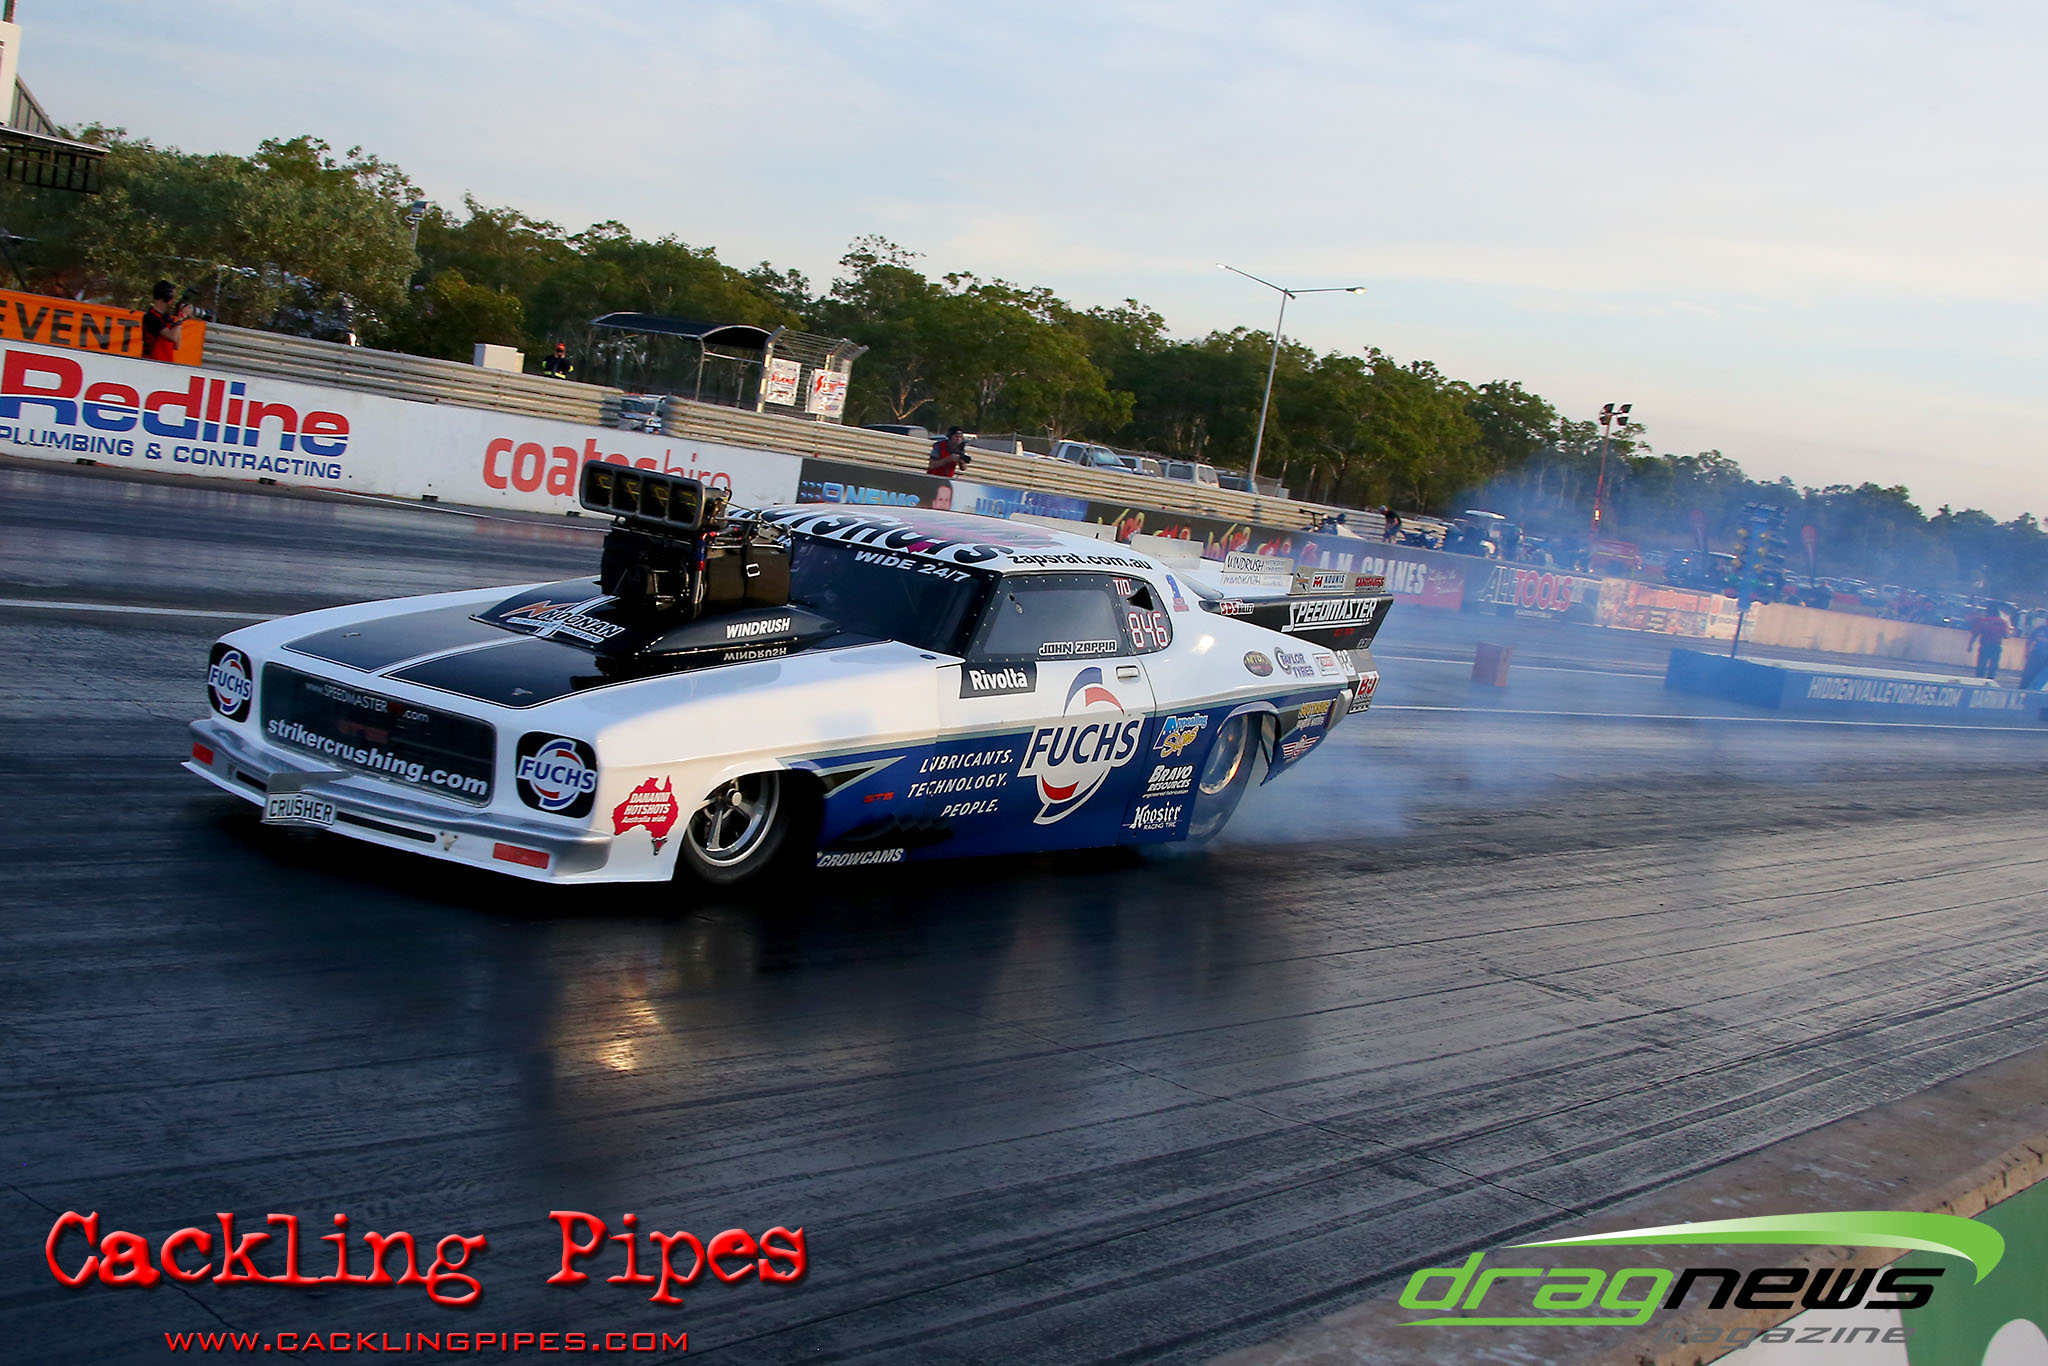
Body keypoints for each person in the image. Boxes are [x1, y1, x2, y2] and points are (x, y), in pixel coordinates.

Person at [141, 281, 190, 362]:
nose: (174, 299)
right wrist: (180, 319)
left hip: (166, 362)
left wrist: (180, 317)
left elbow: (177, 345)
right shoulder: (151, 317)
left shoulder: (166, 317)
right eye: (172, 296)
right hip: (153, 362)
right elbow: (172, 337)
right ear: (166, 295)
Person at [1967, 607, 2011, 680]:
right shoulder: (2002, 622)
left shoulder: (1983, 621)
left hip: (1985, 645)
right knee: (1994, 664)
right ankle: (1990, 679)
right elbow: (2006, 635)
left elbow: (1975, 634)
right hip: (1996, 645)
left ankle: (1979, 679)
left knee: (1981, 663)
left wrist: (1970, 645)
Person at [2023, 618, 2048, 691]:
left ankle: (2035, 691)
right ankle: (2023, 690)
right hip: (2037, 655)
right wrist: (2027, 652)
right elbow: (2029, 640)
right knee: (2029, 674)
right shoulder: (2040, 629)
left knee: (2042, 677)